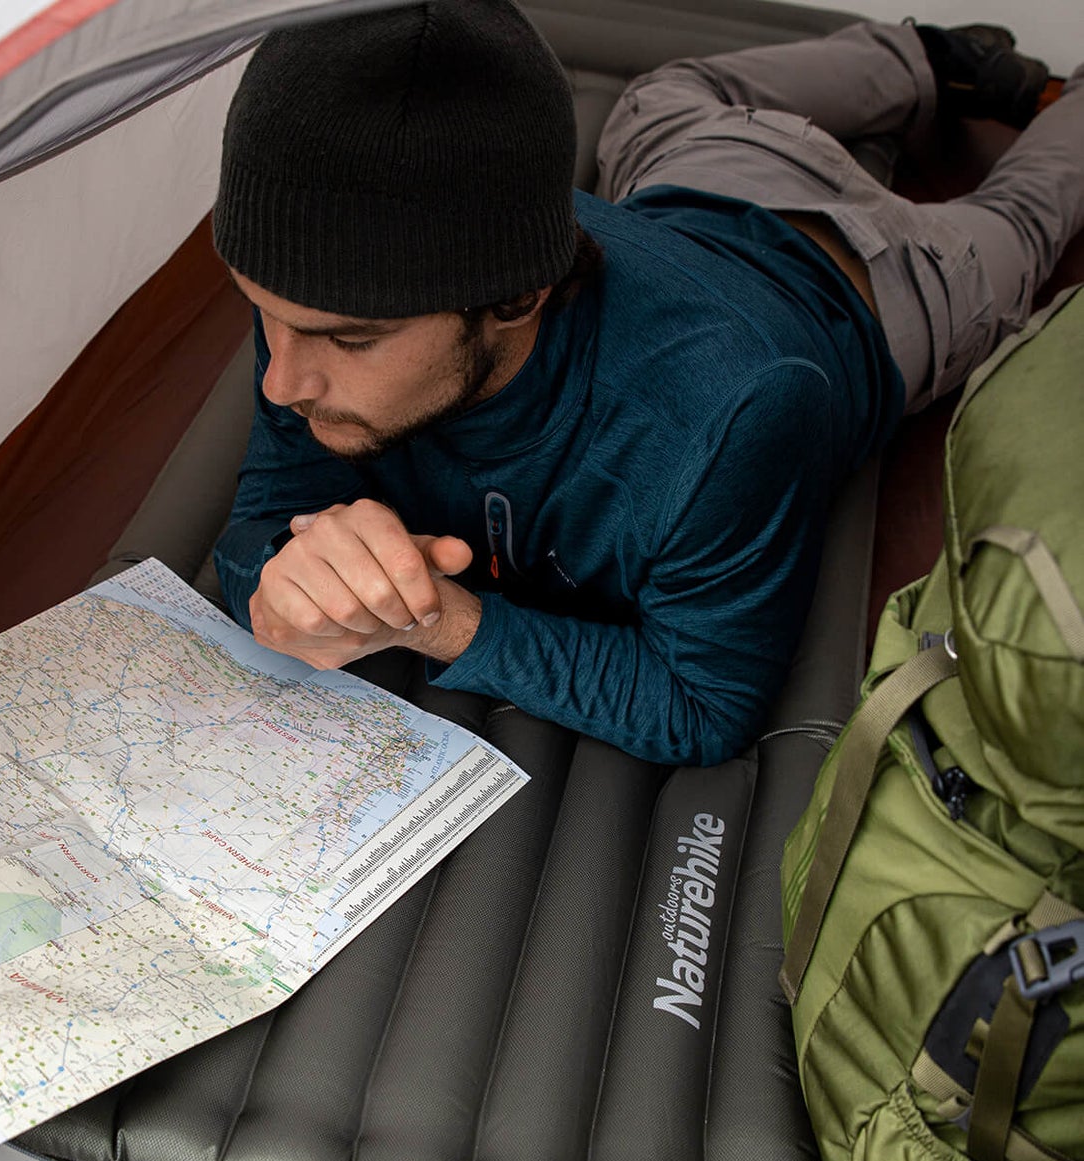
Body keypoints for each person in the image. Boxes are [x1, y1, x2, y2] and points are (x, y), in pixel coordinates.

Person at [208, 2, 1084, 765]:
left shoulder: (731, 413)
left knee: (1024, 216)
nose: (284, 379)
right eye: (262, 315)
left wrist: (432, 619)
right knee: (663, 92)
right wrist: (278, 581)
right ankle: (927, 59)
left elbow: (702, 706)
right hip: (698, 172)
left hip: (872, 284)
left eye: (349, 340)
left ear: (515, 298)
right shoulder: (314, 293)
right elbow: (267, 511)